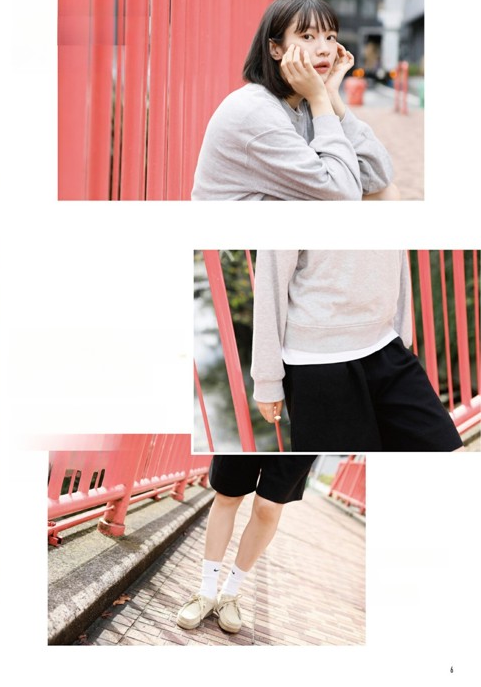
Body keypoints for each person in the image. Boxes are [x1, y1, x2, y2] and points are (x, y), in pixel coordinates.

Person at [191, 0, 399, 201]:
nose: (324, 50)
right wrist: (319, 99)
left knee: (386, 195)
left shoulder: (306, 101)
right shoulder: (255, 111)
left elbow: (378, 175)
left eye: (330, 37)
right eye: (307, 37)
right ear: (275, 49)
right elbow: (342, 194)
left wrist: (330, 97)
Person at [251, 250, 464, 451]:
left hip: (385, 344)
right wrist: (267, 381)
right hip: (318, 361)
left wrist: (401, 335)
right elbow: (270, 282)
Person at [176, 454, 317, 633]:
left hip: (297, 430)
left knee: (269, 507)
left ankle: (230, 591)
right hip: (246, 425)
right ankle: (207, 591)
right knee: (228, 495)